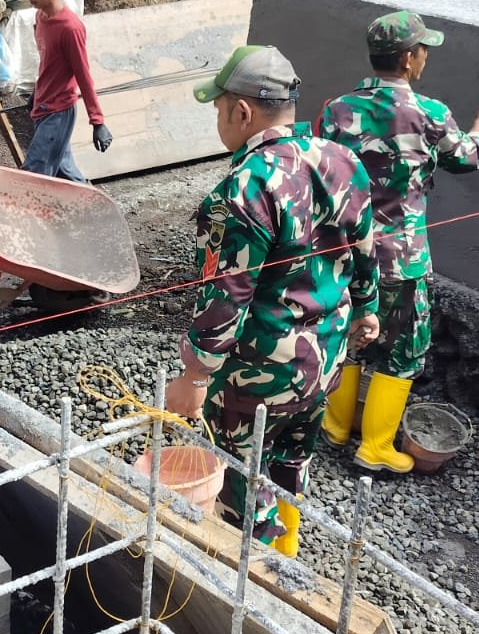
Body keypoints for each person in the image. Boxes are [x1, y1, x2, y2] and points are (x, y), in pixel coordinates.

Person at [163, 45, 380, 557]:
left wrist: (195, 376)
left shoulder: (245, 187)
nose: (221, 120)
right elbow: (366, 243)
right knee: (291, 462)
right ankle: (288, 558)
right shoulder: (341, 159)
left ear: (241, 111)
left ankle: (257, 579)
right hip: (326, 356)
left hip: (258, 372)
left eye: (220, 110)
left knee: (241, 480)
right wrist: (368, 307)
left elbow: (226, 295)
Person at [316, 10, 479, 472]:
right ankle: (376, 446)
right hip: (400, 261)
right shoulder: (430, 113)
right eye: (423, 50)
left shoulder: (336, 110)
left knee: (346, 335)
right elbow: (466, 158)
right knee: (402, 350)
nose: (425, 58)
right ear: (407, 58)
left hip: (342, 253)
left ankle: (337, 425)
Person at [19, 0, 112, 181]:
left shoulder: (70, 28)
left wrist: (97, 121)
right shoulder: (40, 17)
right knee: (65, 172)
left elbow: (84, 76)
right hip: (43, 106)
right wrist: (37, 93)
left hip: (58, 111)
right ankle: (94, 209)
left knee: (34, 175)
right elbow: (49, 65)